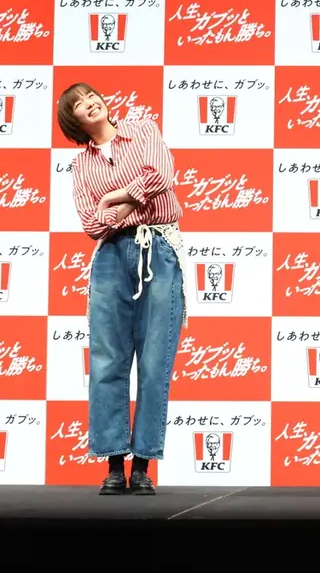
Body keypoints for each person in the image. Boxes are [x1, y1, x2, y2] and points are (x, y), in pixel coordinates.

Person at [57, 82, 188, 496]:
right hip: (111, 256)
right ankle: (114, 466)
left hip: (159, 247)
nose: (89, 103)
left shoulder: (143, 129)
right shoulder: (82, 165)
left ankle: (143, 466)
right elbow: (91, 222)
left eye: (90, 95)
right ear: (74, 122)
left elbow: (163, 175)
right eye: (78, 105)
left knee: (155, 360)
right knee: (107, 360)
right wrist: (135, 198)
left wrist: (116, 199)